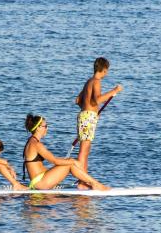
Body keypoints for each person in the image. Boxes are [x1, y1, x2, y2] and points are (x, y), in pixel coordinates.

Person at [23, 114, 110, 190]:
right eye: (45, 126)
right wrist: (72, 161)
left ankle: (84, 183)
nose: (47, 128)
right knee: (70, 164)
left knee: (69, 161)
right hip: (40, 183)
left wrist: (69, 160)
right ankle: (95, 184)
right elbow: (54, 161)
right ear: (38, 128)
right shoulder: (36, 144)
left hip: (39, 180)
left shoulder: (31, 141)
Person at [75, 57, 123, 189]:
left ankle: (83, 181)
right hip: (88, 118)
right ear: (104, 70)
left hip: (85, 116)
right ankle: (81, 182)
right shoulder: (96, 82)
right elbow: (97, 100)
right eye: (107, 70)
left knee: (85, 151)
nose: (107, 73)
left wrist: (90, 111)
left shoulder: (88, 82)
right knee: (84, 151)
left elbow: (78, 100)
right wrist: (114, 91)